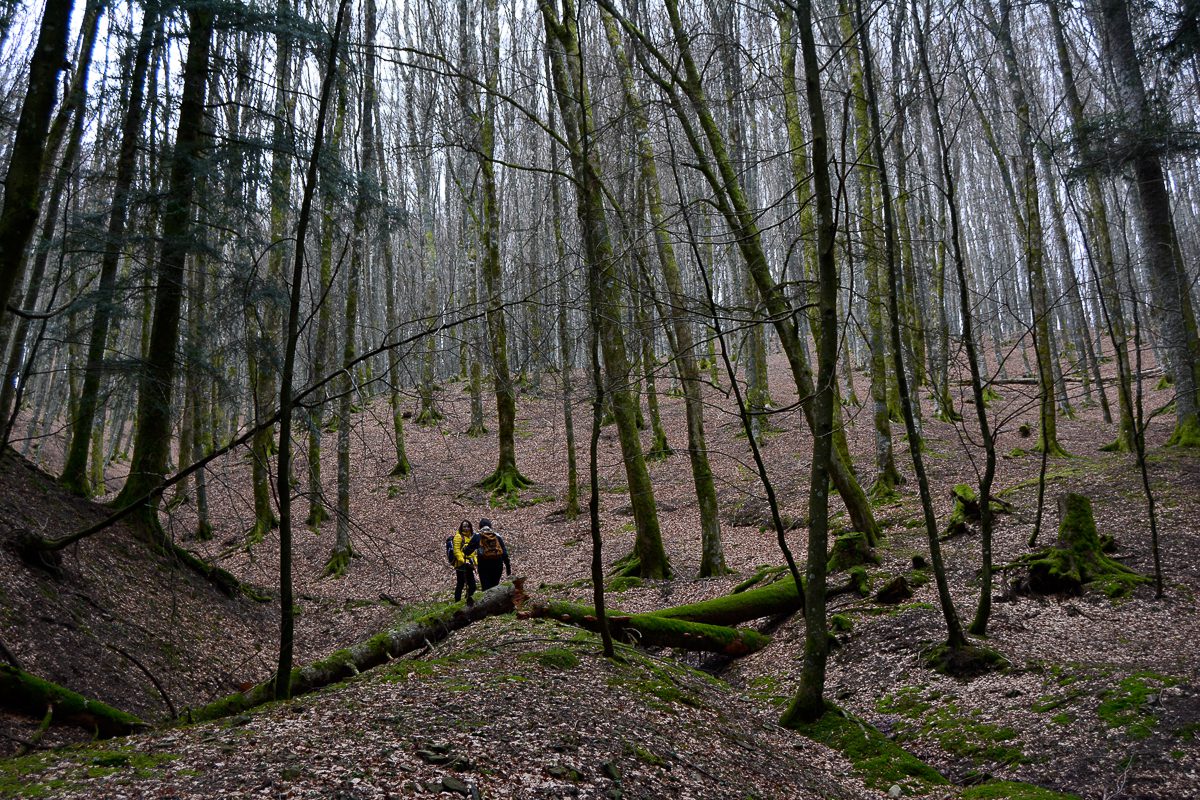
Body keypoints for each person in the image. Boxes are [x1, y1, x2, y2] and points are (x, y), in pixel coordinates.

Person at [475, 517, 512, 591]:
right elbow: (504, 553)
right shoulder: (497, 536)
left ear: (479, 526)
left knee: (485, 588)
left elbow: (468, 550)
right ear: (490, 526)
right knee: (494, 586)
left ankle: (486, 601)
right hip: (497, 564)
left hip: (483, 565)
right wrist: (508, 567)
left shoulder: (477, 536)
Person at [451, 519, 479, 604]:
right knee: (461, 584)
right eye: (464, 526)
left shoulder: (471, 537)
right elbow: (456, 551)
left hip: (470, 565)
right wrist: (463, 561)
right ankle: (457, 603)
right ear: (461, 527)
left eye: (468, 526)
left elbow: (474, 553)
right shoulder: (458, 537)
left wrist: (476, 563)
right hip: (461, 565)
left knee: (472, 586)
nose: (466, 528)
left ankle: (466, 601)